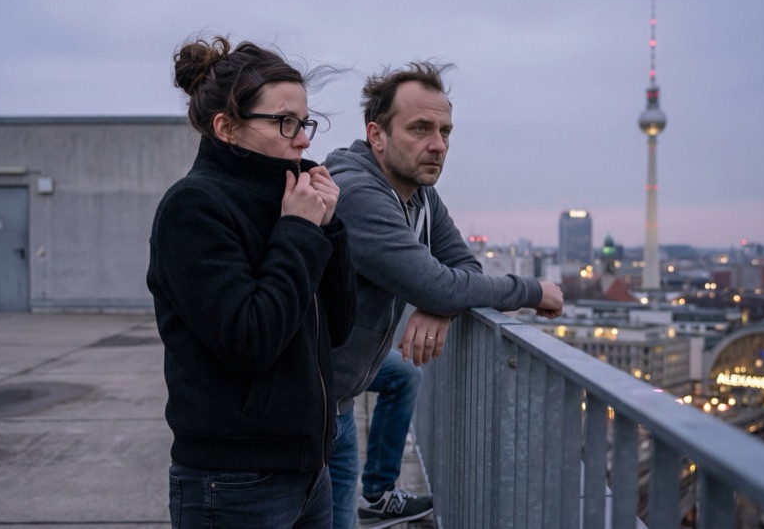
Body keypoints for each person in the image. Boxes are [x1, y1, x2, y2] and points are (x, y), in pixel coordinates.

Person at [324, 61, 564, 529]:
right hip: (310, 403)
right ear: (377, 135)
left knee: (401, 377)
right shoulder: (356, 193)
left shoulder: (420, 195)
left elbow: (462, 270)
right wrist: (533, 289)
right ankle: (376, 496)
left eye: (445, 131)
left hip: (338, 390)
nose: (438, 145)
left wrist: (443, 307)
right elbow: (438, 282)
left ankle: (377, 494)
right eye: (420, 129)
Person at [146, 36, 358, 529]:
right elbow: (250, 340)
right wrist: (301, 231)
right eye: (285, 122)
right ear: (226, 127)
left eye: (305, 122)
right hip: (234, 480)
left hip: (309, 470)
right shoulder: (193, 208)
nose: (303, 138)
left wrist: (330, 226)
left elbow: (340, 326)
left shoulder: (292, 198)